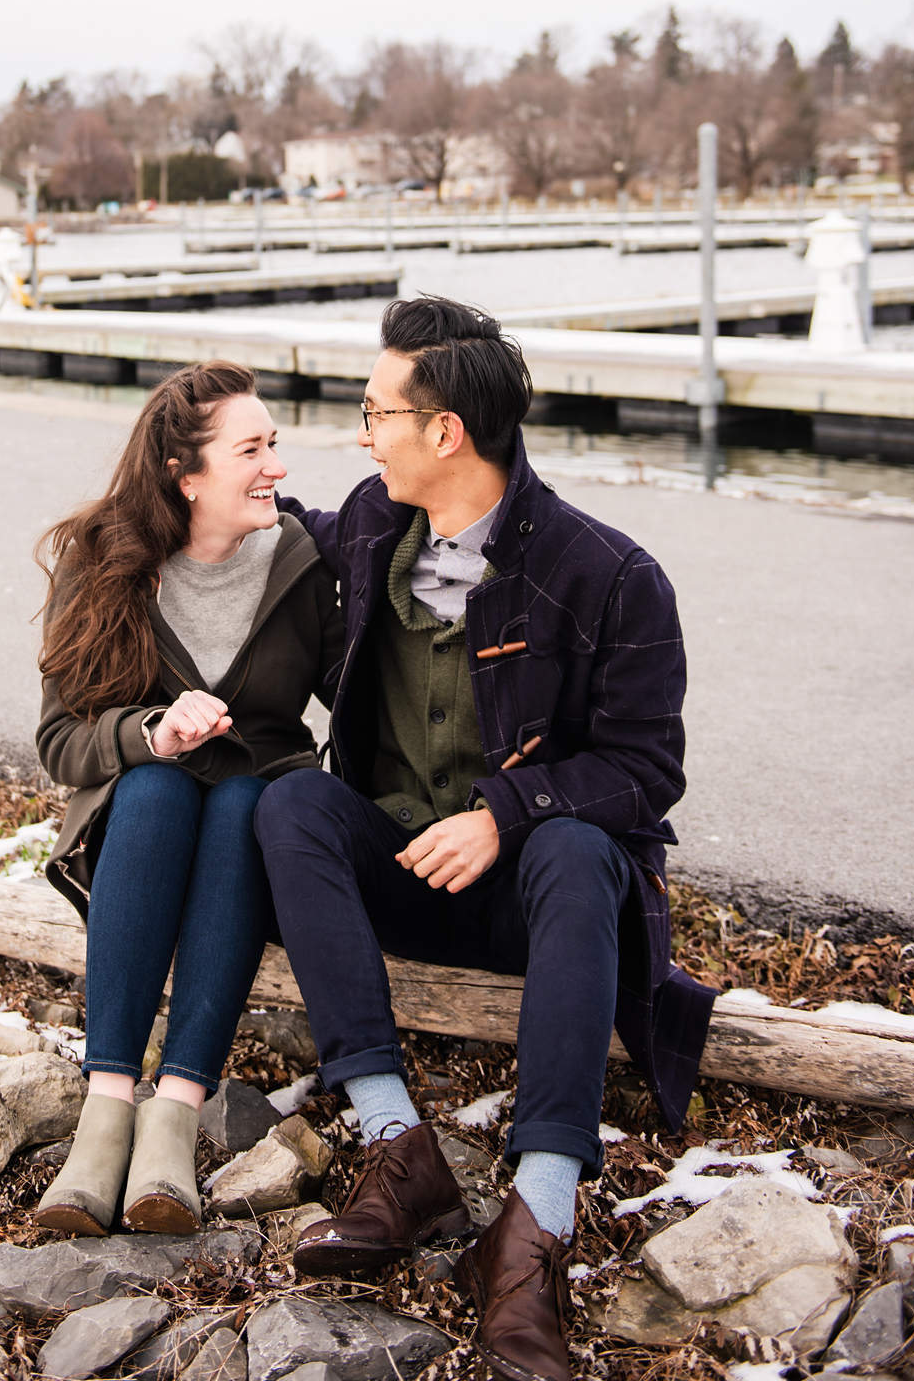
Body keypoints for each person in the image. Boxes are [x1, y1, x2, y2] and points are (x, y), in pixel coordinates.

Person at [254, 296, 714, 1381]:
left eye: (374, 411)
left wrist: (504, 811)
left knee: (577, 848)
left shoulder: (608, 573)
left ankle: (532, 1227)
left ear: (443, 430)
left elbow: (646, 773)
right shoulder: (375, 520)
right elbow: (304, 525)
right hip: (403, 876)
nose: (360, 432)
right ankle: (394, 1145)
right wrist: (182, 504)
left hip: (536, 906)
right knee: (291, 805)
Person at [33, 360, 343, 1237]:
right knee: (163, 788)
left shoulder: (298, 557)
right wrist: (150, 734)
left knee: (245, 801)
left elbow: (355, 700)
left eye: (274, 444)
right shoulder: (101, 559)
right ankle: (106, 1109)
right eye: (252, 448)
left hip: (253, 819)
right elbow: (60, 745)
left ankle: (174, 1111)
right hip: (137, 824)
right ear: (185, 471)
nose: (276, 466)